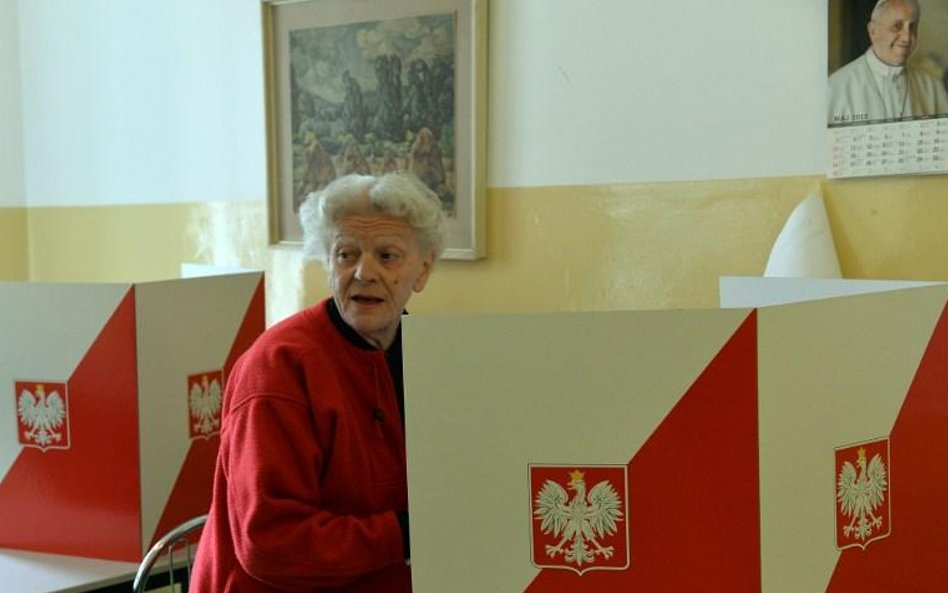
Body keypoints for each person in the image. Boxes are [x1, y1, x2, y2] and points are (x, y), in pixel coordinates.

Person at [190, 172, 446, 593]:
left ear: (424, 269)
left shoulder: (434, 359)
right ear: (327, 263)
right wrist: (404, 534)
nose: (363, 272)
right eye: (346, 254)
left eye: (387, 256)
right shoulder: (278, 367)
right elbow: (269, 542)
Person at [827, 0, 948, 125]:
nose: (906, 37)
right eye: (897, 26)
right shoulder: (837, 88)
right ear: (873, 31)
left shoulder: (931, 86)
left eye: (912, 27)